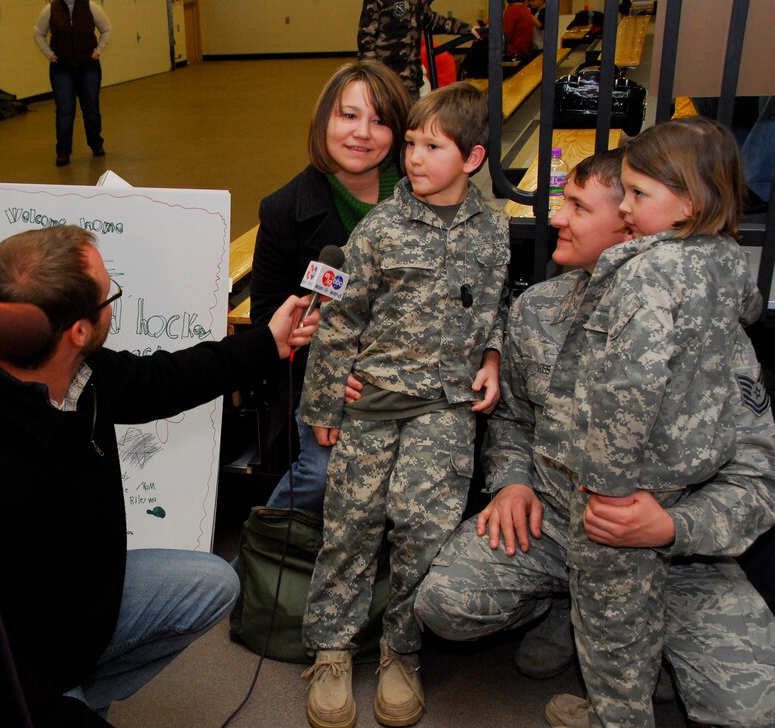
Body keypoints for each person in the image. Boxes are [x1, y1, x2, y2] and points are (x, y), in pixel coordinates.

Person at [0, 225, 319, 727]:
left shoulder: (76, 374)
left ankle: (77, 691)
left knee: (212, 582)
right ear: (79, 331)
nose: (114, 303)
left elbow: (161, 382)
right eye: (110, 294)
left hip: (63, 607)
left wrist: (268, 343)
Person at [414, 149, 775, 728]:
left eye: (579, 207)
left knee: (753, 706)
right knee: (444, 605)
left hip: (675, 551)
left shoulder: (706, 328)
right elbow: (512, 421)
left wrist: (672, 527)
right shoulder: (539, 311)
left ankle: (621, 637)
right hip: (558, 524)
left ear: (630, 226)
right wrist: (511, 484)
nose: (558, 219)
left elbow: (755, 484)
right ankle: (571, 609)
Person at [299, 82, 509, 728]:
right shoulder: (380, 230)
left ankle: (401, 648)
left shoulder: (492, 229)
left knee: (423, 529)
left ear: (471, 159)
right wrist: (326, 406)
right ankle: (331, 648)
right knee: (351, 526)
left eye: (432, 146)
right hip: (373, 405)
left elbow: (491, 305)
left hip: (444, 407)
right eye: (411, 143)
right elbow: (338, 322)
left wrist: (494, 355)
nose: (414, 158)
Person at [554, 116, 764, 727]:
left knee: (612, 629)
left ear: (689, 204)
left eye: (639, 196)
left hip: (624, 487)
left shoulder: (643, 272)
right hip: (688, 471)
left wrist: (606, 488)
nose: (627, 210)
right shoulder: (729, 265)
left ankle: (617, 715)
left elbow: (627, 388)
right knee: (635, 614)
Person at [251, 59, 411, 515]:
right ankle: (260, 561)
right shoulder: (284, 211)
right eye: (349, 115)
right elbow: (265, 320)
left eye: (380, 121)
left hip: (408, 376)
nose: (362, 133)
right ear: (324, 121)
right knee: (323, 473)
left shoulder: (421, 194)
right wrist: (316, 353)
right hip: (323, 385)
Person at [34, 0, 112, 167]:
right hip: (61, 68)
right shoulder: (50, 9)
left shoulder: (91, 7)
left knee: (91, 106)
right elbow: (38, 33)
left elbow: (106, 29)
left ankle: (96, 143)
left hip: (88, 65)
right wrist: (48, 54)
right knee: (65, 110)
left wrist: (99, 50)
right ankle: (63, 152)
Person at [357, 0, 475, 100]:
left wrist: (469, 29)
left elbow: (434, 21)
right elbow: (366, 38)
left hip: (413, 82)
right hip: (387, 84)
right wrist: (372, 78)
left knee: (413, 123)